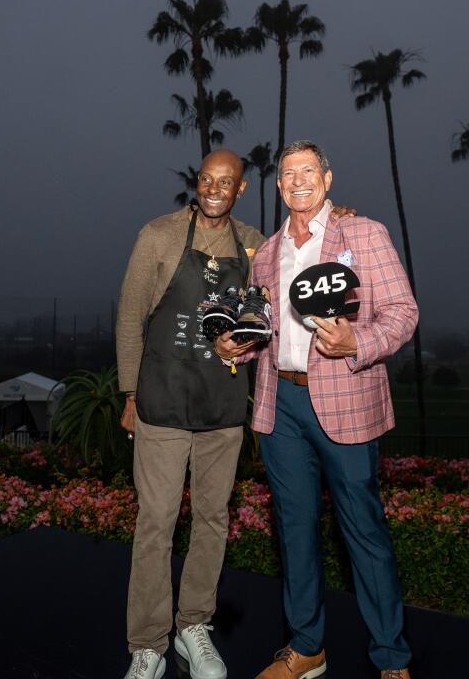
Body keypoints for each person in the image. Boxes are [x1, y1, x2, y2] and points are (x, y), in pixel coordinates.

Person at [216, 140, 418, 679]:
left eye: (308, 171)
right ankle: (306, 647)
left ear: (327, 180)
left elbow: (402, 312)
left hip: (347, 401)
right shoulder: (266, 255)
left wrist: (359, 343)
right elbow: (263, 331)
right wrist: (237, 344)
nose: (298, 180)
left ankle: (392, 658)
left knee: (364, 531)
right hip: (279, 406)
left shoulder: (364, 234)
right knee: (294, 530)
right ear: (279, 187)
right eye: (288, 174)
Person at [116, 149, 265, 679]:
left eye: (226, 181)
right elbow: (130, 317)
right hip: (160, 400)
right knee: (155, 522)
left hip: (222, 408)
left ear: (241, 188)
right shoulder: (157, 235)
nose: (214, 188)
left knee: (213, 519)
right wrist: (130, 396)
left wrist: (337, 215)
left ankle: (193, 625)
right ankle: (148, 644)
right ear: (196, 183)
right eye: (207, 179)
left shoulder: (254, 244)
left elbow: (269, 310)